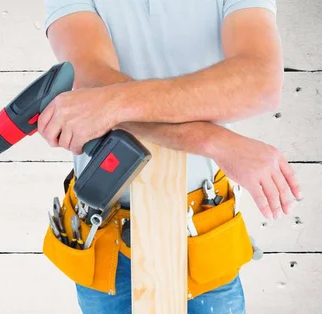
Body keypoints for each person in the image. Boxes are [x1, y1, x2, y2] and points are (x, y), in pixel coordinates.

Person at [37, 1, 302, 313]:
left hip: (200, 229)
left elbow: (259, 83)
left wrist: (109, 106)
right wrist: (211, 140)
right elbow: (91, 83)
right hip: (105, 237)